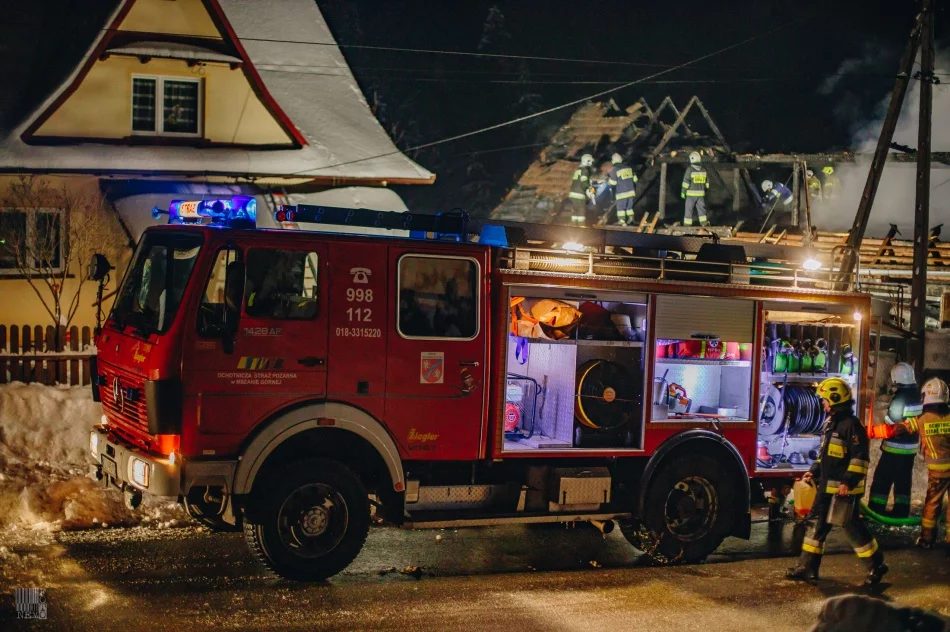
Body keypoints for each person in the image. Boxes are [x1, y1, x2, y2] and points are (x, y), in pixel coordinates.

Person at [787, 377, 888, 585]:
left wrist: (848, 483)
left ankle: (877, 565)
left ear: (834, 399)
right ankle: (807, 567)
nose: (822, 403)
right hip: (826, 488)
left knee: (853, 530)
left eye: (825, 400)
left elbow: (860, 458)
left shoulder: (851, 426)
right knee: (815, 526)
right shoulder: (831, 424)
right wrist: (813, 471)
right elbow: (825, 456)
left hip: (843, 491)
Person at [869, 377, 950, 551]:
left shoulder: (923, 419)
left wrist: (872, 431)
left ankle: (927, 540)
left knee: (933, 504)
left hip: (938, 472)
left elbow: (900, 428)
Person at [868, 362, 921, 518]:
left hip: (894, 449)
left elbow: (893, 422)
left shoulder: (900, 398)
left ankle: (876, 510)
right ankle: (901, 511)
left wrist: (884, 417)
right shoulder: (917, 396)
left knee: (882, 479)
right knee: (903, 481)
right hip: (910, 449)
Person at [607, 153, 638, 225]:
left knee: (621, 208)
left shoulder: (615, 170)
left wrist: (608, 180)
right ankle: (631, 219)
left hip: (621, 193)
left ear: (613, 161)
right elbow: (635, 180)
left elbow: (613, 183)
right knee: (629, 208)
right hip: (631, 192)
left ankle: (621, 221)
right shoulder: (629, 168)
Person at [681, 151, 709, 226]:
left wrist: (683, 192)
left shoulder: (689, 170)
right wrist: (705, 190)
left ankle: (687, 226)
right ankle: (704, 224)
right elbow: (707, 183)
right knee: (701, 210)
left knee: (689, 209)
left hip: (691, 194)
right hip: (701, 194)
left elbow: (686, 182)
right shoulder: (703, 170)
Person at [569, 154, 596, 226]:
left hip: (572, 194)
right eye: (590, 161)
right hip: (579, 194)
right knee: (581, 213)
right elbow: (584, 183)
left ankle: (573, 227)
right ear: (587, 161)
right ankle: (582, 228)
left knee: (575, 213)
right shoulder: (585, 170)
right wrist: (591, 190)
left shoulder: (578, 169)